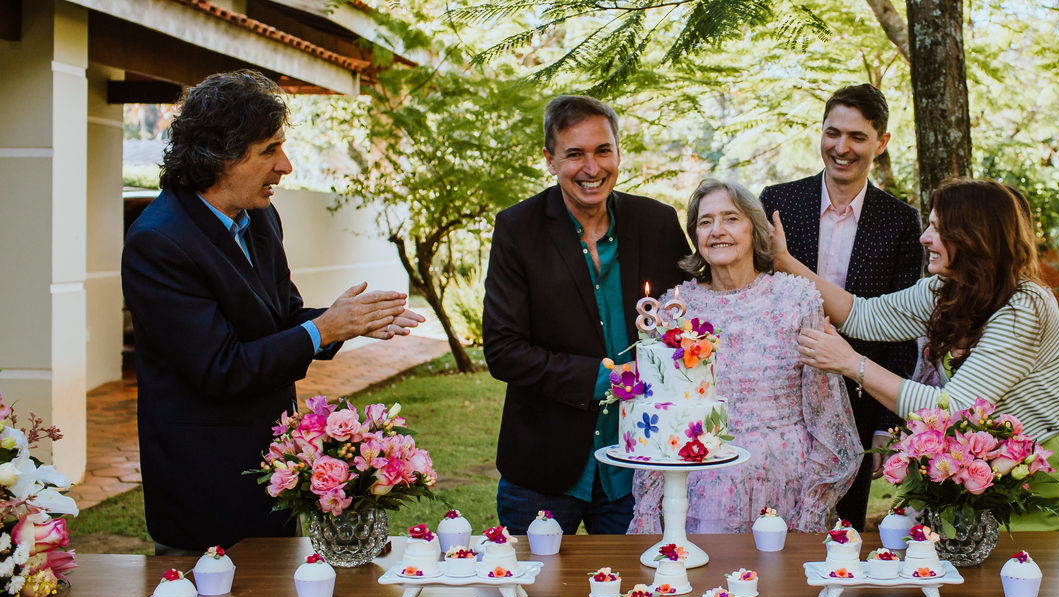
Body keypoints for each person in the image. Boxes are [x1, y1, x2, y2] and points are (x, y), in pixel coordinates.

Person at [122, 70, 422, 553]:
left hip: (274, 474)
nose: (285, 165)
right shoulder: (159, 242)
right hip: (204, 490)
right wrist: (324, 329)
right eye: (270, 150)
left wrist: (352, 318)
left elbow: (281, 316)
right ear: (219, 154)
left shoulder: (260, 217)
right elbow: (220, 369)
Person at [781, 177, 1059, 532]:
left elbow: (953, 408)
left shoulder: (1026, 307)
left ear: (973, 237)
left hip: (1045, 479)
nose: (925, 237)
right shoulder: (946, 289)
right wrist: (784, 260)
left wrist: (851, 363)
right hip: (980, 473)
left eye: (938, 229)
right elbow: (863, 316)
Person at [483, 95, 691, 535]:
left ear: (619, 152)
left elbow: (693, 320)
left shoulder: (657, 223)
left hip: (640, 463)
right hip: (542, 468)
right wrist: (611, 379)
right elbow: (503, 351)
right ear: (549, 159)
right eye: (574, 154)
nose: (592, 168)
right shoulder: (517, 229)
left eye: (602, 151)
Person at [628, 179, 861, 534]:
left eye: (731, 218)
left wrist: (813, 505)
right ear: (695, 234)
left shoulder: (797, 299)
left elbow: (825, 412)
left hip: (785, 482)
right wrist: (649, 506)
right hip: (702, 484)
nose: (717, 231)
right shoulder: (675, 310)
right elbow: (662, 415)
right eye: (705, 222)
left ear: (756, 228)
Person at [759, 83, 923, 532]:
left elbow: (902, 328)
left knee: (842, 532)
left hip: (858, 401)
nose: (841, 147)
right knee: (769, 521)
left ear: (881, 142)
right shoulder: (777, 202)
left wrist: (886, 425)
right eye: (833, 133)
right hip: (778, 396)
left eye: (856, 137)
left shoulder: (901, 222)